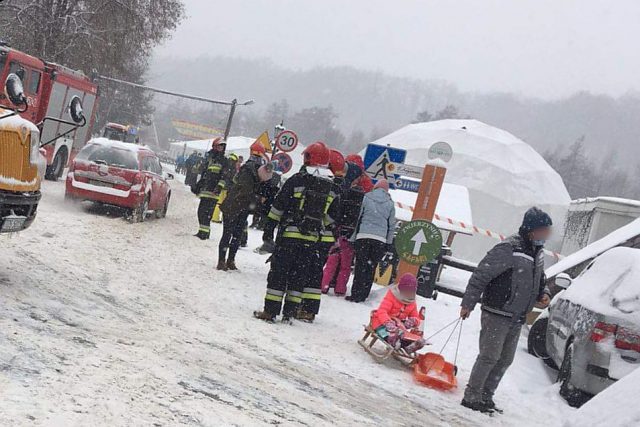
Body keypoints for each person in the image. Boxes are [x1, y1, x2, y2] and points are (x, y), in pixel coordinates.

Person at [460, 207, 553, 414]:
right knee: (489, 356)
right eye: (544, 231)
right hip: (497, 311)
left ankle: (486, 396)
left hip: (518, 316)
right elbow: (481, 275)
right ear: (532, 230)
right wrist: (468, 303)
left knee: (505, 359)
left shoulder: (537, 251)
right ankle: (472, 396)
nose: (547, 235)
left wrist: (543, 292)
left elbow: (540, 278)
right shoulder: (509, 248)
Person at [253, 141, 340, 323]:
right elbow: (333, 217)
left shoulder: (296, 180)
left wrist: (268, 230)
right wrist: (317, 225)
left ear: (308, 157)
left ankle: (270, 311)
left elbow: (278, 207)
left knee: (279, 274)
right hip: (311, 241)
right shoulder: (332, 187)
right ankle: (290, 312)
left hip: (289, 237)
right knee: (298, 276)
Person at [296, 149, 345, 322]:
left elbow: (328, 214)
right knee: (315, 272)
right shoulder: (337, 187)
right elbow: (336, 216)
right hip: (327, 237)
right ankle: (309, 309)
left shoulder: (326, 185)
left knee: (308, 270)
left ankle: (304, 307)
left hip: (317, 235)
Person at [321, 158, 369, 296]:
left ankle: (324, 285)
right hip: (351, 234)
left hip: (339, 231)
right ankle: (340, 288)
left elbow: (337, 211)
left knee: (332, 261)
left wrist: (336, 227)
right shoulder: (363, 199)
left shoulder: (344, 193)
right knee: (346, 266)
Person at [218, 153, 273, 271]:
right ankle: (221, 261)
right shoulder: (248, 174)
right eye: (262, 179)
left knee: (237, 235)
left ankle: (231, 260)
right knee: (227, 234)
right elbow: (244, 193)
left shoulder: (256, 176)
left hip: (243, 209)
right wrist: (258, 199)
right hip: (232, 207)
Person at [346, 179, 396, 303]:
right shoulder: (390, 204)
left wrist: (353, 237)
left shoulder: (366, 198)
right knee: (371, 266)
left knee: (360, 266)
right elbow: (391, 225)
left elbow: (358, 218)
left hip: (363, 236)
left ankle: (355, 294)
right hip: (379, 240)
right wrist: (388, 243)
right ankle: (364, 294)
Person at [371, 273, 426, 353]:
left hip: (398, 325)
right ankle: (394, 341)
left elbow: (416, 317)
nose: (408, 293)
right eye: (406, 290)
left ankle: (409, 345)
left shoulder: (412, 301)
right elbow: (382, 311)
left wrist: (413, 321)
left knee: (401, 334)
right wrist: (388, 322)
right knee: (389, 333)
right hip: (381, 322)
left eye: (411, 291)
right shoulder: (392, 295)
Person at [194, 138, 233, 240]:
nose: (221, 148)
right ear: (214, 146)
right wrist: (198, 185)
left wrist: (219, 187)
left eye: (222, 146)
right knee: (201, 212)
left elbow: (225, 176)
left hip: (214, 191)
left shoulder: (224, 161)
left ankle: (204, 234)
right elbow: (204, 174)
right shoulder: (209, 159)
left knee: (207, 214)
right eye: (219, 146)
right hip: (205, 190)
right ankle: (202, 231)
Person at [212, 152, 240, 224]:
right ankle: (223, 219)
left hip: (221, 187)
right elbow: (233, 179)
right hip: (228, 189)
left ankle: (215, 217)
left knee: (218, 203)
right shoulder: (233, 168)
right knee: (226, 204)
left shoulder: (225, 165)